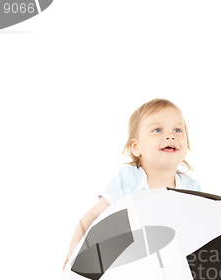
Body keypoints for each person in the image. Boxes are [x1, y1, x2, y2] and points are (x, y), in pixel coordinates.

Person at [62, 98, 203, 270]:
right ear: (136, 147)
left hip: (173, 263)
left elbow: (198, 230)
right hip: (130, 263)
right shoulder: (130, 179)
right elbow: (94, 215)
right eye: (157, 130)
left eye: (178, 130)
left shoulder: (191, 188)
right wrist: (75, 247)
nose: (170, 135)